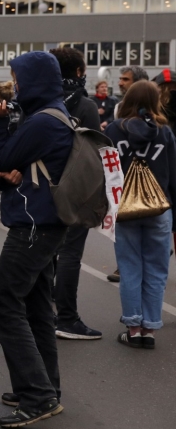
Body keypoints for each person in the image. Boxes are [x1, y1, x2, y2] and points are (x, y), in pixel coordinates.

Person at [0, 51, 72, 428]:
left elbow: (1, 158)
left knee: (5, 303)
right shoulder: (55, 114)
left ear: (33, 80)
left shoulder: (42, 123)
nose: (15, 84)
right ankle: (44, 388)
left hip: (34, 225)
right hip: (47, 222)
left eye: (17, 77)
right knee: (38, 309)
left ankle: (37, 396)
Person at [105, 81, 176, 351]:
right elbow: (174, 174)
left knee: (130, 267)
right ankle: (150, 328)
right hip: (160, 209)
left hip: (125, 209)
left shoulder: (114, 130)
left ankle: (133, 329)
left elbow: (106, 172)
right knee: (157, 271)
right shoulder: (165, 133)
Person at [49, 46, 103, 340]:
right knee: (70, 253)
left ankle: (43, 313)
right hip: (74, 190)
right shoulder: (85, 106)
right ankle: (66, 318)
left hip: (41, 187)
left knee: (47, 252)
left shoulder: (42, 100)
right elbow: (93, 155)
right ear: (80, 72)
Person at [107, 65, 150, 283]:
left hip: (150, 178)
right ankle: (124, 264)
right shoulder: (118, 107)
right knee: (125, 226)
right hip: (123, 179)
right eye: (120, 79)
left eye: (125, 79)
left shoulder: (155, 110)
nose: (121, 83)